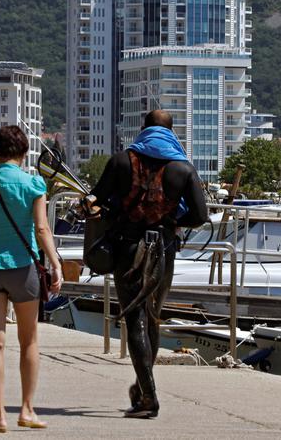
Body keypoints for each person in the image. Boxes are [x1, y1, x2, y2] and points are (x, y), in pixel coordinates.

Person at [89, 110, 208, 419]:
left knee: (136, 319)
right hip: (163, 249)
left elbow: (95, 200)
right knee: (152, 316)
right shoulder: (183, 168)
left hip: (127, 248)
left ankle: (148, 396)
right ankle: (143, 390)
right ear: (172, 132)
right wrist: (171, 219)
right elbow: (199, 216)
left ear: (143, 129)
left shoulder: (120, 161)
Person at [0, 125, 62, 433]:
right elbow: (42, 230)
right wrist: (55, 264)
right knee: (29, 340)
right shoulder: (34, 183)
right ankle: (27, 410)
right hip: (23, 268)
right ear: (25, 152)